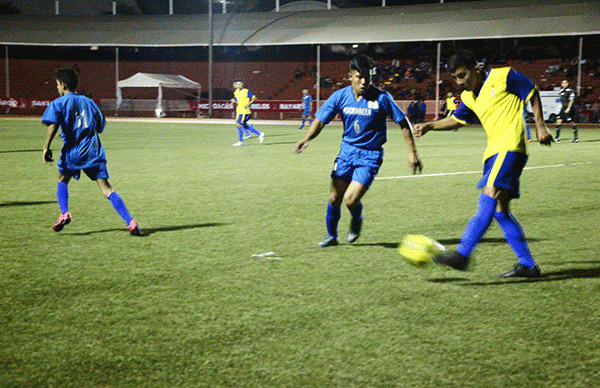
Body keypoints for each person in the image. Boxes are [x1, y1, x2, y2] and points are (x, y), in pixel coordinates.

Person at [414, 50, 553, 278]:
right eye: (456, 78)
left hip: (510, 147)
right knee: (500, 211)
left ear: (475, 68)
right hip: (492, 153)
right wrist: (430, 126)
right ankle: (527, 264)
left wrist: (539, 125)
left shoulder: (503, 76)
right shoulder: (469, 96)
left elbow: (532, 91)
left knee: (487, 195)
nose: (460, 82)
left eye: (463, 75)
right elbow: (457, 119)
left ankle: (462, 254)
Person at [295, 55, 422, 247]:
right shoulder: (340, 96)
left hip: (370, 155)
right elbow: (320, 121)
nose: (364, 82)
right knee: (334, 197)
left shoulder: (381, 97)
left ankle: (356, 219)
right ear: (350, 76)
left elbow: (403, 122)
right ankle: (332, 236)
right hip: (346, 152)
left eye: (368, 78)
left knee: (350, 199)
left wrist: (412, 152)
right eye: (359, 77)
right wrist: (306, 139)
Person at [42, 68, 141, 235]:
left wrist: (46, 147)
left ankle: (64, 213)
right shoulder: (89, 102)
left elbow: (52, 124)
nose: (57, 88)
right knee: (107, 189)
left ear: (63, 85)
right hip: (93, 152)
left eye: (58, 85)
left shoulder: (59, 103)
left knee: (62, 180)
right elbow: (100, 126)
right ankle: (130, 221)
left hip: (72, 152)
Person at [230, 79, 264, 146]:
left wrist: (248, 104)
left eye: (240, 84)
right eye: (237, 84)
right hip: (239, 110)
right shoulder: (236, 92)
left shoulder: (246, 91)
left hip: (244, 111)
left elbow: (255, 98)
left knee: (238, 124)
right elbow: (237, 102)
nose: (238, 85)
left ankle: (240, 141)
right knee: (243, 125)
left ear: (242, 84)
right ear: (235, 85)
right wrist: (233, 101)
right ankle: (259, 134)